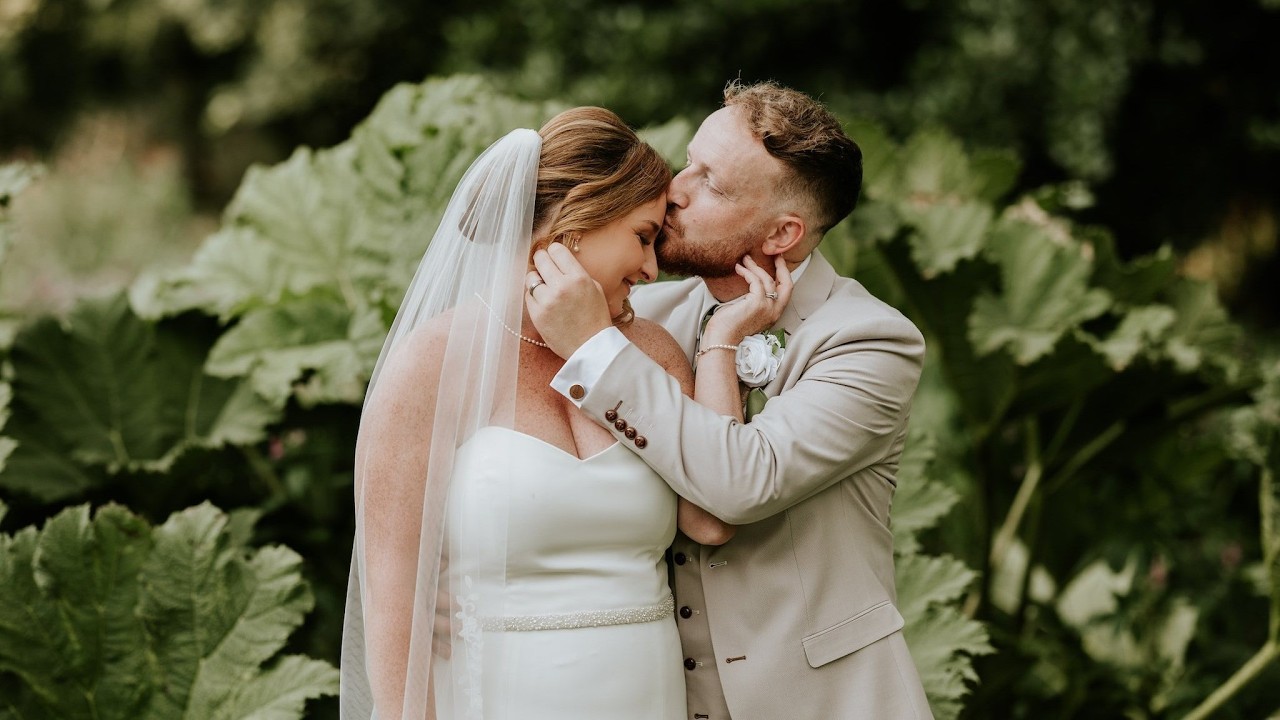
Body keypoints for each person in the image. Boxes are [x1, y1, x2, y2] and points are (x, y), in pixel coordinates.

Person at [340, 106, 774, 720]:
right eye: (643, 236)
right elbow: (392, 602)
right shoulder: (432, 365)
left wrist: (722, 341)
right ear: (576, 221)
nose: (652, 268)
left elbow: (710, 518)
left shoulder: (651, 352)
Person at [527, 81, 934, 719]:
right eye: (689, 162)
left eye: (712, 185)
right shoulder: (643, 315)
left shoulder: (869, 342)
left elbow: (740, 487)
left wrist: (607, 350)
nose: (675, 190)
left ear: (782, 234)